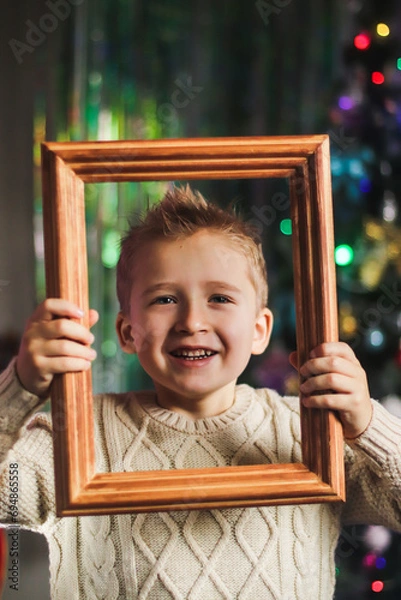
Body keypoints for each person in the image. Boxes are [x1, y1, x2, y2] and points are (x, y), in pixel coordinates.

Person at [0, 185, 401, 600]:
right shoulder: (77, 435)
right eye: (166, 298)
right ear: (126, 332)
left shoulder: (308, 431)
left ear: (260, 330)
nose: (192, 321)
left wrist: (368, 425)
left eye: (220, 298)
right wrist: (21, 385)